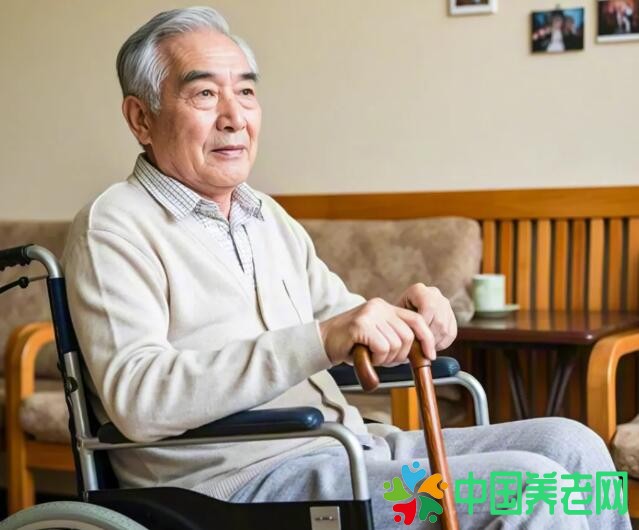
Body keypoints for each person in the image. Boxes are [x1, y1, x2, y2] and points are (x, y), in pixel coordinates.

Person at [62, 7, 631, 529]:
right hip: (240, 484)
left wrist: (408, 324)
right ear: (141, 118)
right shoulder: (114, 225)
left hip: (350, 449)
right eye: (205, 94)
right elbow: (139, 399)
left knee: (573, 447)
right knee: (529, 486)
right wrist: (323, 338)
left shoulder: (265, 216)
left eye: (247, 92)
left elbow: (341, 322)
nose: (235, 118)